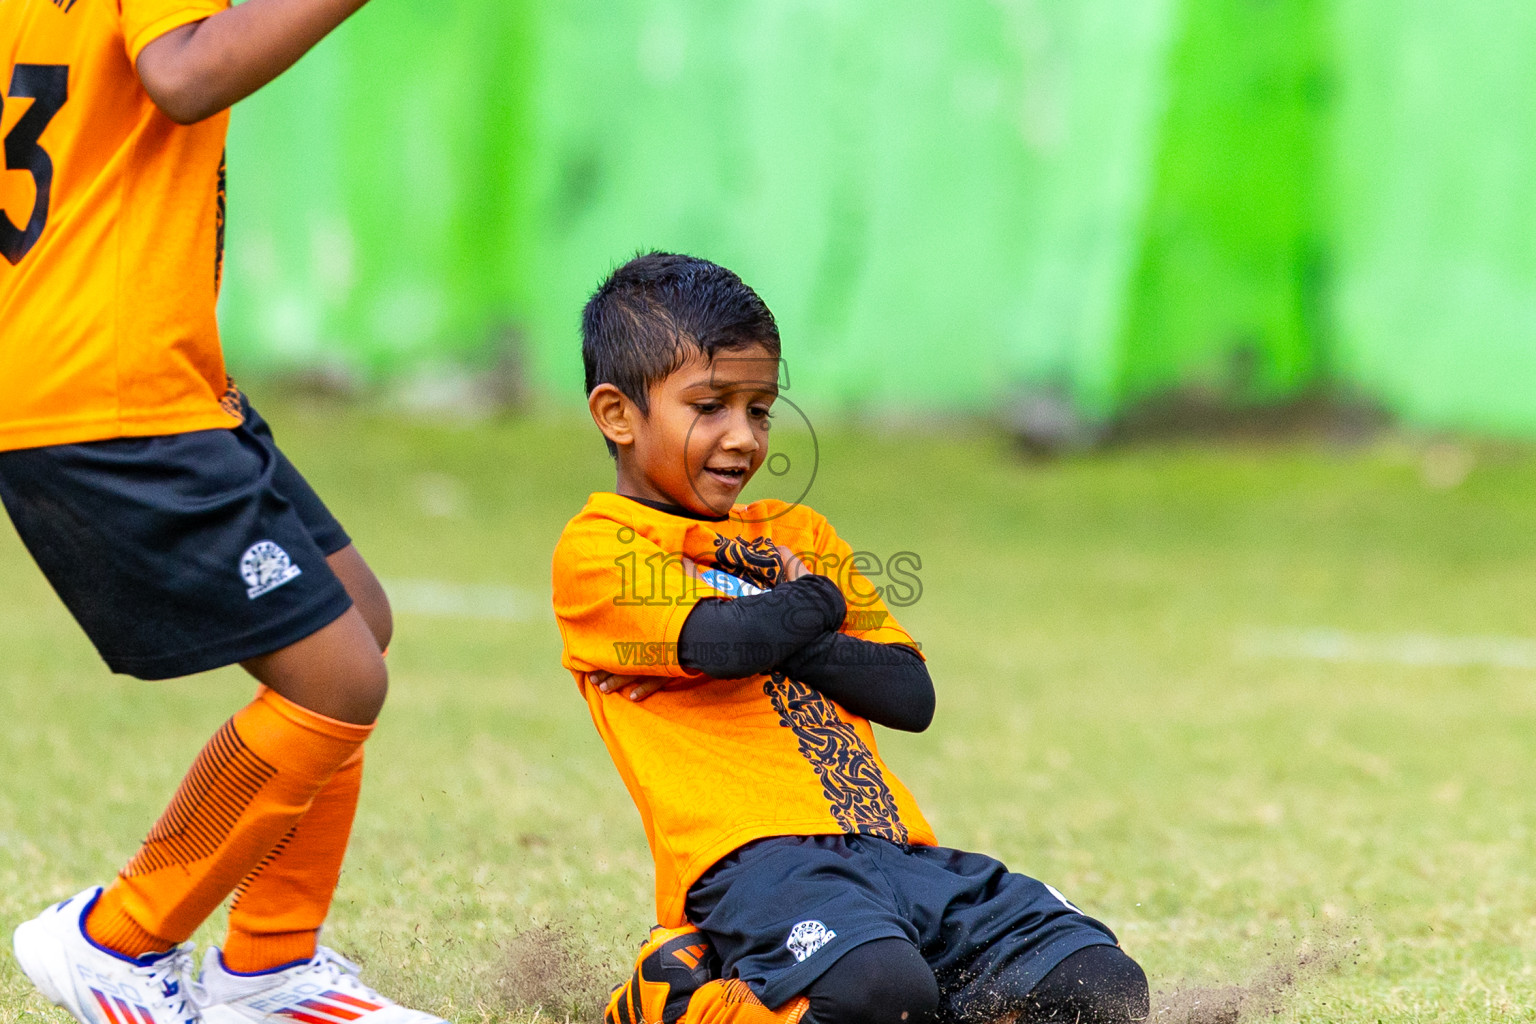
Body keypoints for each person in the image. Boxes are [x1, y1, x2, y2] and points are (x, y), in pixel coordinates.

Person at [551, 252, 1151, 1024]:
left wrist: (790, 620)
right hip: (754, 861)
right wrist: (814, 602)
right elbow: (722, 644)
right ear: (617, 414)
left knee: (1101, 987)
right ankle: (678, 1000)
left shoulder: (797, 533)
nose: (744, 437)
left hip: (894, 847)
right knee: (876, 997)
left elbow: (907, 692)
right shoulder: (603, 548)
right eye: (710, 407)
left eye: (761, 409)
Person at [1, 2, 443, 1023]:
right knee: (337, 678)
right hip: (109, 392)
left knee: (353, 617)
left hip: (142, 377)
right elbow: (184, 73)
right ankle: (115, 939)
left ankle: (271, 965)